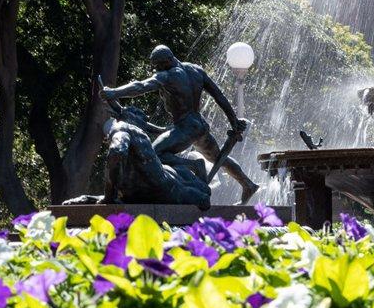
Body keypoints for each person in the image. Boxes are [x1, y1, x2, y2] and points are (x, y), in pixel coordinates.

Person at [101, 45, 259, 203]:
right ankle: (248, 184)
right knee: (218, 158)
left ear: (165, 62)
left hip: (185, 126)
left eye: (157, 66)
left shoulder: (167, 76)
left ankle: (195, 166)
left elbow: (141, 86)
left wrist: (114, 92)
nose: (156, 70)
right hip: (199, 125)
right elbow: (219, 97)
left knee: (155, 154)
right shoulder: (196, 70)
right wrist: (234, 122)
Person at [64, 106, 212, 209]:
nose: (145, 119)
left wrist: (109, 197)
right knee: (202, 196)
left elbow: (117, 154)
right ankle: (198, 177)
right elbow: (117, 151)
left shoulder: (128, 132)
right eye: (140, 115)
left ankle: (198, 175)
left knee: (200, 193)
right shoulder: (123, 128)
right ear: (130, 117)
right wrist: (109, 197)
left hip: (151, 190)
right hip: (160, 190)